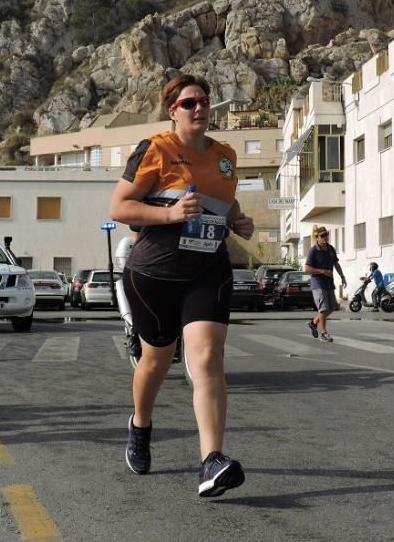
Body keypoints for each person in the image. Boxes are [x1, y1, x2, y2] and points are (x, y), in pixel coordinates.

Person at [109, 73, 254, 498]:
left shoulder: (226, 156)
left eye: (205, 101)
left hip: (208, 270)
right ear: (172, 110)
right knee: (155, 360)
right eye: (190, 103)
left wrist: (236, 222)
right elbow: (119, 206)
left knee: (207, 356)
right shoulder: (155, 150)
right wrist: (172, 216)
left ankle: (211, 460)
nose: (200, 108)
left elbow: (225, 204)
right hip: (154, 274)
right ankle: (140, 424)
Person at [304, 227, 346, 341]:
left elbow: (336, 264)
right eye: (322, 235)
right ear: (317, 237)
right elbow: (307, 269)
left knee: (331, 308)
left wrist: (342, 276)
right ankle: (324, 333)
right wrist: (322, 271)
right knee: (323, 308)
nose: (325, 237)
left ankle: (313, 323)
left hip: (329, 283)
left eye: (326, 234)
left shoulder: (331, 249)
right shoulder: (313, 250)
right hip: (318, 283)